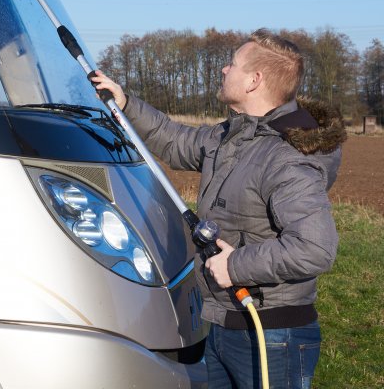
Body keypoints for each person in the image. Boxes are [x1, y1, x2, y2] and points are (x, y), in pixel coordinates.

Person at [91, 29, 345, 389]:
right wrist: (126, 103)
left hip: (271, 333)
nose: (224, 70)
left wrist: (235, 264)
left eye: (233, 64)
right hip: (224, 323)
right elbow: (176, 140)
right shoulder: (231, 136)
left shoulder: (287, 158)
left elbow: (315, 248)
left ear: (254, 80)